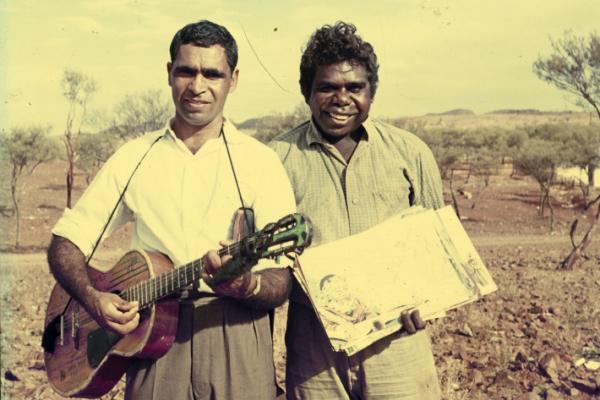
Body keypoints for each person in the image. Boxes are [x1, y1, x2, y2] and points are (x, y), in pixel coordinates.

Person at [47, 20, 296, 400]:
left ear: (234, 79)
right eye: (186, 71)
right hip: (151, 341)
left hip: (234, 335)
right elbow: (66, 242)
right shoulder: (134, 156)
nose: (198, 86)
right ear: (169, 73)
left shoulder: (261, 162)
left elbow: (282, 276)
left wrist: (247, 285)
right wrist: (93, 299)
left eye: (212, 73)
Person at [269, 21, 444, 399]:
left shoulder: (410, 153)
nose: (341, 98)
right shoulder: (276, 159)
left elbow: (440, 248)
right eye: (327, 87)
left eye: (354, 88)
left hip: (398, 342)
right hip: (314, 349)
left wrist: (426, 300)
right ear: (307, 91)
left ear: (371, 92)